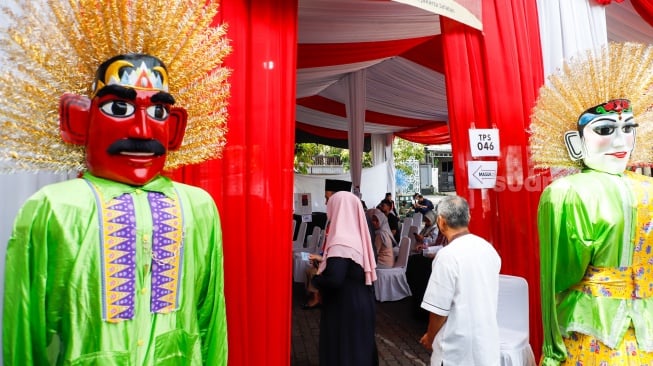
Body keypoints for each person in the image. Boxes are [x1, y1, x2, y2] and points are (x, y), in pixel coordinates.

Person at [1, 3, 231, 363]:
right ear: (78, 120)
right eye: (119, 110)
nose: (142, 130)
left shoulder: (198, 207)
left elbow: (211, 315)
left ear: (174, 128)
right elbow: (24, 326)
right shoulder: (52, 208)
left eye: (158, 113)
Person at [531, 43, 653, 365]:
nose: (619, 141)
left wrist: (551, 353)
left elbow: (559, 279)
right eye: (605, 130)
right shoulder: (649, 189)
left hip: (593, 338)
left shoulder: (566, 193)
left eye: (628, 128)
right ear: (575, 141)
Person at [419, 195, 501, 366]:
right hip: (486, 345)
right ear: (468, 218)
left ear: (441, 222)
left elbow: (439, 309)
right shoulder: (488, 249)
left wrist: (430, 336)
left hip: (455, 352)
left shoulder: (447, 256)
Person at [310, 191, 378, 365]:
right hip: (362, 300)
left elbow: (334, 279)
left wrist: (316, 280)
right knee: (359, 350)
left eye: (330, 204)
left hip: (345, 307)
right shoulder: (358, 236)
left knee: (345, 352)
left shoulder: (341, 239)